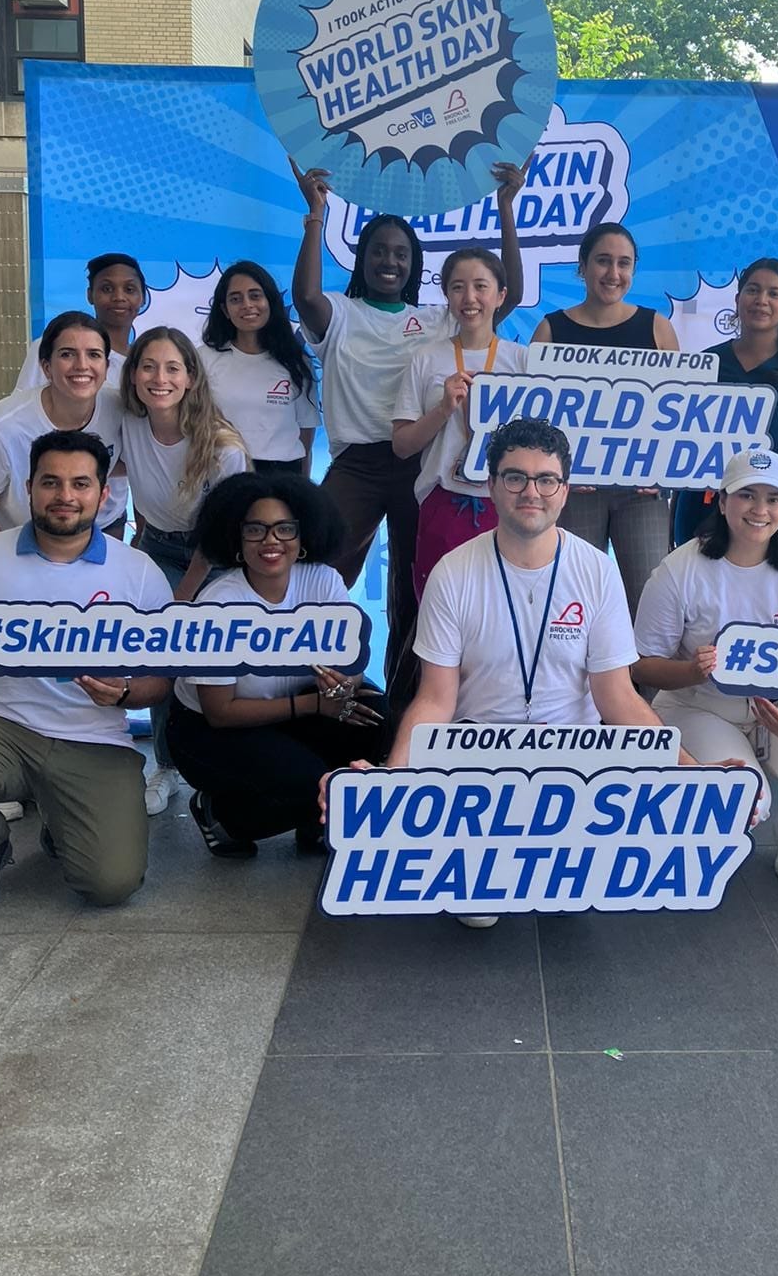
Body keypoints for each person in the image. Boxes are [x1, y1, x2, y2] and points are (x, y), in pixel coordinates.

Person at [336, 418, 692, 928]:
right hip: (479, 753)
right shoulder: (453, 572)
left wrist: (693, 771)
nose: (531, 492)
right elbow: (435, 699)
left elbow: (617, 698)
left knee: (568, 898)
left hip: (571, 755)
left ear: (565, 490)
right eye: (515, 477)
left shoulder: (596, 570)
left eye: (546, 479)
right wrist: (392, 780)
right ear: (491, 485)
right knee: (480, 910)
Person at [291, 160, 524, 686]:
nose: (390, 261)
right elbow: (305, 297)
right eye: (379, 250)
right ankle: (305, 682)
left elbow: (504, 295)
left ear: (415, 264)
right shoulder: (339, 312)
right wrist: (315, 215)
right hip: (358, 465)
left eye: (401, 253)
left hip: (422, 462)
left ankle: (405, 703)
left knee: (415, 592)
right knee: (317, 565)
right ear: (363, 258)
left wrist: (505, 209)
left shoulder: (439, 319)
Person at [0, 432, 171, 914]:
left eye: (81, 484)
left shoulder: (138, 573)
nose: (65, 496)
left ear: (104, 494)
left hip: (92, 737)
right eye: (51, 482)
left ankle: (63, 823)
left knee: (111, 883)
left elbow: (161, 683)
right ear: (29, 488)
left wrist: (124, 694)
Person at [634, 448, 778, 885]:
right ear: (722, 502)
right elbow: (642, 666)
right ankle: (693, 830)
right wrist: (692, 671)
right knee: (744, 798)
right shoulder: (680, 569)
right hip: (700, 706)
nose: (760, 510)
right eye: (746, 496)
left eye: (773, 498)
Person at [167, 472, 387, 858]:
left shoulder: (323, 580)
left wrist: (345, 685)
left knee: (377, 716)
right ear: (237, 538)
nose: (271, 540)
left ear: (303, 536)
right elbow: (220, 712)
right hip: (209, 730)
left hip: (293, 709)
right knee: (310, 782)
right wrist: (316, 704)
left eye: (285, 529)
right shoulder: (219, 604)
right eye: (256, 530)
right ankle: (221, 816)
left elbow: (349, 665)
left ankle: (315, 826)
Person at [119, 325, 250, 814]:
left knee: (216, 659)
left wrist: (183, 595)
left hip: (213, 555)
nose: (160, 378)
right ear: (133, 375)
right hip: (156, 545)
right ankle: (167, 766)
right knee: (158, 653)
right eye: (148, 366)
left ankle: (229, 768)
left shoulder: (223, 448)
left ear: (191, 377)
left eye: (172, 368)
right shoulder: (126, 424)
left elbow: (217, 536)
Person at [531, 221, 678, 618]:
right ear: (582, 266)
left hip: (642, 492)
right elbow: (535, 422)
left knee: (649, 605)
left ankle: (643, 668)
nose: (613, 273)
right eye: (603, 261)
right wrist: (557, 474)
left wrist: (664, 473)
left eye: (624, 263)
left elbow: (678, 415)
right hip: (575, 490)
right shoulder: (551, 329)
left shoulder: (657, 328)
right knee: (571, 605)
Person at [672, 256, 778, 544]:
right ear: (738, 299)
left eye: (774, 293)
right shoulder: (706, 364)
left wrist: (768, 476)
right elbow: (673, 438)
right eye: (753, 290)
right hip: (703, 508)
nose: (761, 300)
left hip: (773, 510)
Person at [391, 247, 528, 598]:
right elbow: (402, 446)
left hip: (509, 506)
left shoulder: (523, 362)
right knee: (441, 611)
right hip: (444, 504)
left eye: (481, 286)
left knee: (506, 610)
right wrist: (442, 409)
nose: (469, 298)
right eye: (457, 287)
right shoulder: (426, 358)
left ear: (501, 296)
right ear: (446, 296)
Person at [0, 311, 126, 550]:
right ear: (46, 367)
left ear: (106, 366)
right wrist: (13, 565)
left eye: (94, 354)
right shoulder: (2, 426)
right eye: (67, 354)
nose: (82, 365)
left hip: (51, 528)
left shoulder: (119, 409)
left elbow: (129, 462)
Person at [199, 260, 319, 473]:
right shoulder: (204, 358)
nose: (247, 305)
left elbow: (305, 434)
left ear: (270, 301)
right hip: (224, 472)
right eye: (235, 299)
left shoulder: (297, 362)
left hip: (283, 475)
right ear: (225, 310)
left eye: (255, 296)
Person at [14, 252, 148, 390]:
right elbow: (23, 401)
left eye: (129, 289)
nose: (119, 297)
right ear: (90, 295)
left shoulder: (145, 362)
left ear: (143, 297)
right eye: (107, 289)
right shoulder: (51, 347)